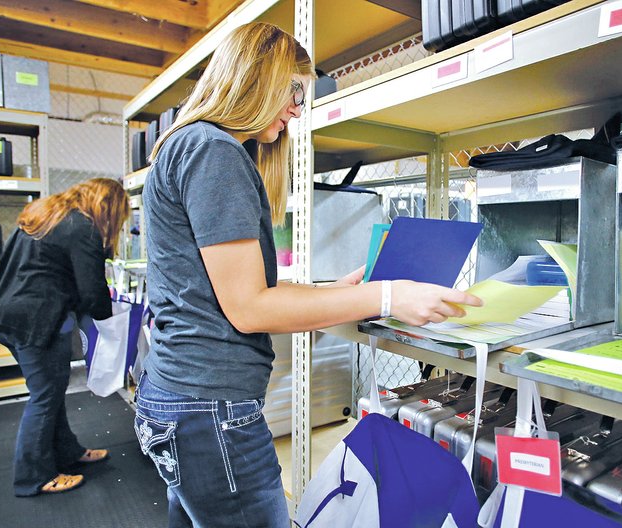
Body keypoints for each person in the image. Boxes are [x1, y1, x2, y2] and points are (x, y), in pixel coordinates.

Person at [136, 21, 482, 528]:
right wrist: (386, 297)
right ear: (256, 78)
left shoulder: (189, 145)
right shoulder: (215, 151)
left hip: (184, 399)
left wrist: (333, 293)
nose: (298, 108)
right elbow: (250, 308)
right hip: (210, 409)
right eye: (294, 90)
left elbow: (244, 290)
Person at [0, 178, 131, 496]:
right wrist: (110, 327)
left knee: (51, 389)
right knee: (44, 396)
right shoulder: (82, 226)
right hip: (35, 321)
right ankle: (34, 476)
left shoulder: (46, 213)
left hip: (6, 315)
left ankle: (68, 452)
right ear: (107, 206)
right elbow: (91, 289)